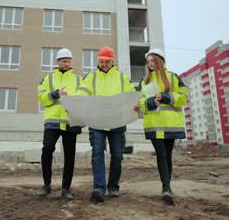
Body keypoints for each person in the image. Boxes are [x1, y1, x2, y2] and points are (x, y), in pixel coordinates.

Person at [77, 46, 135, 202]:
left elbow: (130, 95)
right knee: (97, 153)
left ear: (112, 60)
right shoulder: (91, 77)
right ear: (98, 60)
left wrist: (135, 104)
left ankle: (113, 187)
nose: (104, 64)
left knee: (117, 155)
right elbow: (82, 94)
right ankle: (99, 188)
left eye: (107, 61)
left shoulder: (122, 77)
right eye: (101, 61)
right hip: (97, 121)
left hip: (117, 122)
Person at [135, 48, 188, 205]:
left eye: (153, 60)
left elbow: (184, 97)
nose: (150, 64)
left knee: (168, 156)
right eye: (148, 62)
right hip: (154, 125)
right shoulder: (145, 81)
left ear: (161, 61)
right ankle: (166, 188)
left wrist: (165, 96)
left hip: (171, 124)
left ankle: (167, 187)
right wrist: (151, 102)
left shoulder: (173, 77)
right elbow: (139, 103)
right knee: (161, 155)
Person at [37, 48, 82, 200]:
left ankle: (66, 188)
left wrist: (82, 118)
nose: (66, 64)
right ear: (57, 62)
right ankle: (46, 185)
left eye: (68, 61)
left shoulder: (78, 80)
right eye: (64, 61)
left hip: (71, 123)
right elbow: (42, 98)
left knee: (69, 156)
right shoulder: (48, 79)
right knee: (47, 149)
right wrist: (56, 93)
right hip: (53, 122)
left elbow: (83, 99)